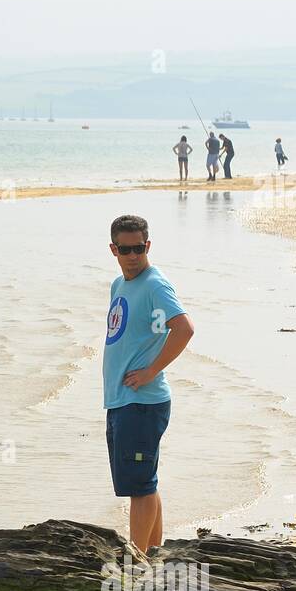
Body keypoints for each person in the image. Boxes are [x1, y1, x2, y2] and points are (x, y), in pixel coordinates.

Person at [103, 214, 195, 554]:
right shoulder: (119, 285)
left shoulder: (155, 284)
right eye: (125, 249)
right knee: (142, 483)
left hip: (143, 402)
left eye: (138, 248)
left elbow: (184, 328)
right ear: (113, 249)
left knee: (140, 487)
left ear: (148, 246)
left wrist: (151, 371)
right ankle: (151, 554)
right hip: (121, 400)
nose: (132, 256)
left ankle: (136, 559)